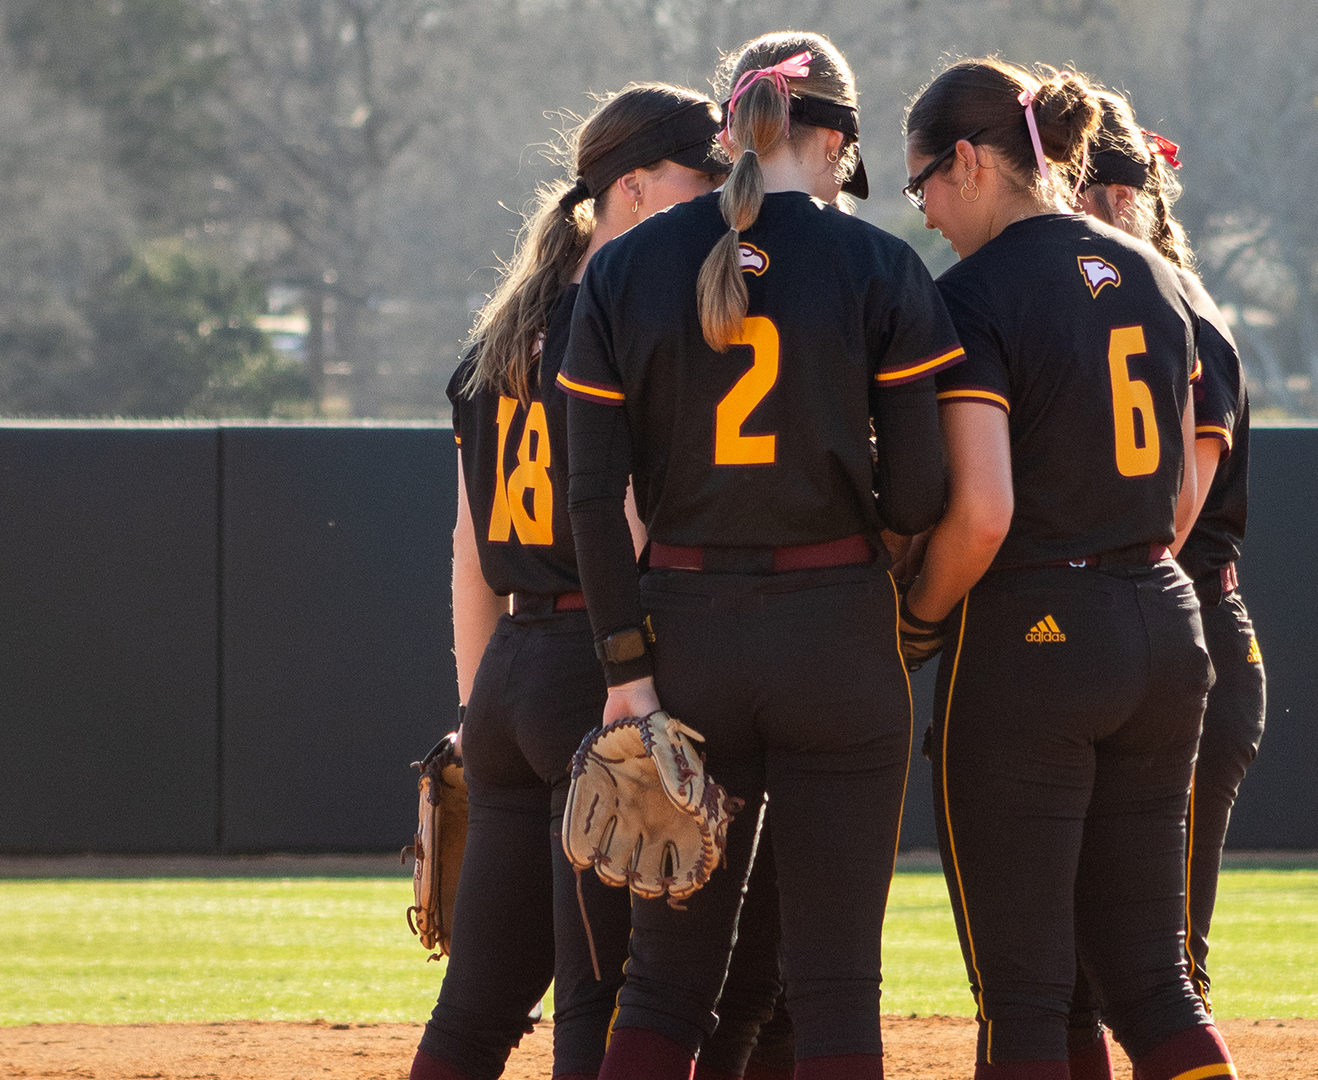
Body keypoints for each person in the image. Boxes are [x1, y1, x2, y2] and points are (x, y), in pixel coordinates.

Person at [561, 30, 956, 1080]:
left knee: (663, 986)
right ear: (834, 140)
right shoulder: (879, 264)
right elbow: (924, 491)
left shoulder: (626, 264)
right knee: (836, 985)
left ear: (732, 127)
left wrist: (627, 673)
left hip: (685, 636)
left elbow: (591, 500)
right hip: (837, 629)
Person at [897, 58, 1237, 1080]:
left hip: (1032, 636)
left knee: (1026, 998)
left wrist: (916, 618)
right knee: (1155, 984)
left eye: (923, 185)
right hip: (1163, 618)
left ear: (968, 161)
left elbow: (983, 514)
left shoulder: (972, 295)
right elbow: (1183, 496)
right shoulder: (1157, 275)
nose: (926, 213)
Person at [412, 83, 728, 1080]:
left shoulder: (504, 332)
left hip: (512, 675)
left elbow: (470, 546)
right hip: (599, 668)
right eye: (699, 180)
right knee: (601, 1001)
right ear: (633, 188)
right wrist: (639, 683)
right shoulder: (629, 320)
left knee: (476, 1009)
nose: (716, 200)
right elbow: (625, 526)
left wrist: (476, 716)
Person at [1065, 89, 1265, 1076]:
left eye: (1081, 190)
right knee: (1072, 966)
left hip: (1184, 629)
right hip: (1130, 636)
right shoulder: (1104, 305)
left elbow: (1174, 514)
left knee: (1159, 968)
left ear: (1124, 197)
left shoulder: (1181, 309)